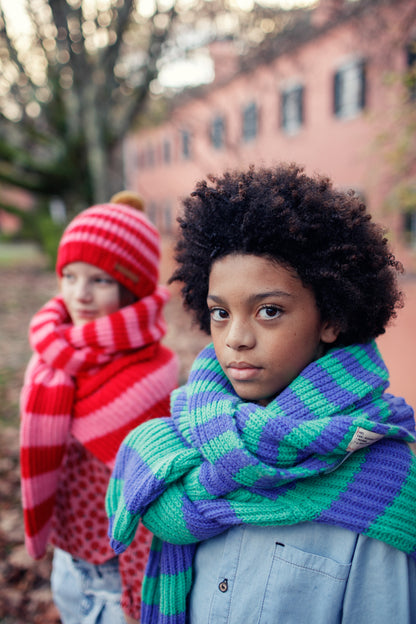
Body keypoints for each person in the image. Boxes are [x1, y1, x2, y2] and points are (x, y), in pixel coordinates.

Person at [106, 164, 416, 624]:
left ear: (330, 317)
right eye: (220, 313)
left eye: (269, 311)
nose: (236, 338)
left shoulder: (385, 477)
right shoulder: (181, 449)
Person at [20, 191, 178, 624]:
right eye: (69, 276)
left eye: (101, 280)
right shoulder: (54, 353)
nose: (80, 294)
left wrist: (137, 595)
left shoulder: (147, 375)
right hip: (68, 559)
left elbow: (150, 498)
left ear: (132, 288)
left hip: (116, 574)